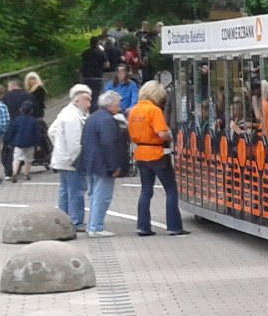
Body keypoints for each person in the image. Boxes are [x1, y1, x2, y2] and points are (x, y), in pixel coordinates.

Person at [126, 80, 187, 237]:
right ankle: (174, 226)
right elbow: (161, 133)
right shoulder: (154, 110)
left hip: (140, 152)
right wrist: (170, 135)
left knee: (146, 190)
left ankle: (143, 226)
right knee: (171, 190)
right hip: (157, 153)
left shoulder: (134, 111)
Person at [78, 89, 129, 237]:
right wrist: (114, 166)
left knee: (94, 195)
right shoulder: (107, 120)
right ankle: (96, 226)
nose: (119, 107)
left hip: (91, 162)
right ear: (110, 105)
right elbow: (109, 144)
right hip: (103, 164)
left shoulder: (93, 117)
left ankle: (92, 225)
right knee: (102, 196)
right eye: (117, 104)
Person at [49, 85, 91, 227]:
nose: (89, 104)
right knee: (76, 192)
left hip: (61, 159)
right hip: (71, 161)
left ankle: (63, 219)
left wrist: (59, 147)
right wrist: (76, 159)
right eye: (87, 101)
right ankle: (75, 221)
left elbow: (52, 131)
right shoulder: (74, 117)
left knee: (65, 191)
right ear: (77, 101)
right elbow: (74, 142)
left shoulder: (65, 113)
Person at [0, 78, 33, 178]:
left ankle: (8, 170)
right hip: (25, 126)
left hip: (10, 125)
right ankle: (22, 169)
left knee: (8, 148)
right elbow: (37, 110)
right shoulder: (29, 96)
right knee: (24, 149)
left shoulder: (6, 97)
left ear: (13, 86)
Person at [6, 102, 45, 181]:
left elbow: (12, 131)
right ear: (31, 111)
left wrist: (9, 141)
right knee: (28, 159)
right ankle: (26, 174)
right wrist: (38, 144)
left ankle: (14, 173)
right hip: (30, 143)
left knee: (16, 158)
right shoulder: (34, 121)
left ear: (21, 110)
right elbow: (37, 133)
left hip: (18, 142)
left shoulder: (16, 119)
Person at [24, 72, 50, 169]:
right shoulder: (28, 90)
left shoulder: (39, 89)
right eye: (30, 79)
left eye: (34, 79)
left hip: (37, 112)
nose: (32, 81)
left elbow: (39, 103)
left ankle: (42, 152)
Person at [80, 36, 109, 105]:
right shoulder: (101, 53)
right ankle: (95, 111)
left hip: (86, 76)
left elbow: (83, 64)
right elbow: (107, 65)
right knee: (98, 96)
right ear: (98, 43)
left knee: (88, 95)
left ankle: (87, 109)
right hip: (97, 76)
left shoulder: (85, 53)